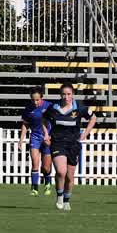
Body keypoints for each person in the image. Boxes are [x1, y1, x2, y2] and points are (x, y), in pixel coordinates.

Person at [42, 83, 97, 211]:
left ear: (73, 94)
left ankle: (67, 200)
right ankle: (59, 196)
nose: (66, 97)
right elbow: (43, 119)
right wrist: (46, 134)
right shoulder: (53, 108)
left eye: (69, 94)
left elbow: (93, 118)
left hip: (73, 144)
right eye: (63, 94)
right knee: (61, 171)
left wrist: (85, 133)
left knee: (69, 176)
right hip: (57, 143)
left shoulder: (80, 108)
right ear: (60, 95)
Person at [19, 87, 53, 196]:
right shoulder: (28, 109)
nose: (35, 102)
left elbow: (55, 121)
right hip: (35, 137)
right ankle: (34, 188)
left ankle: (47, 183)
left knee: (46, 167)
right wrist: (21, 140)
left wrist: (51, 135)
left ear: (42, 98)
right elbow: (25, 124)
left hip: (48, 138)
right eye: (33, 100)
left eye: (37, 100)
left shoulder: (49, 106)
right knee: (35, 163)